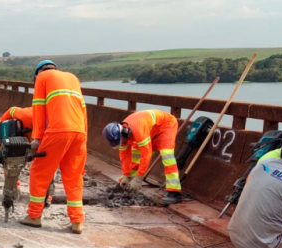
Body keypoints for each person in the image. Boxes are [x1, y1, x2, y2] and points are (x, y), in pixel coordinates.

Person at [19, 60, 88, 234]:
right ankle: (77, 221)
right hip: (79, 132)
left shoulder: (42, 78)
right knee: (74, 177)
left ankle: (34, 216)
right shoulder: (73, 78)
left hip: (57, 131)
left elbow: (39, 109)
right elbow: (83, 109)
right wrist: (83, 137)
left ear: (37, 73)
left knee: (40, 173)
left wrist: (37, 138)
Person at [102, 109, 182, 205]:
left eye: (122, 141)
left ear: (124, 133)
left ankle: (174, 192)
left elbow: (146, 154)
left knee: (167, 155)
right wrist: (126, 176)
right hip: (151, 129)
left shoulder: (138, 130)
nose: (122, 143)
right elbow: (125, 157)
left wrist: (139, 178)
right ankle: (128, 184)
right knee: (136, 152)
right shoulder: (123, 135)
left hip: (166, 126)